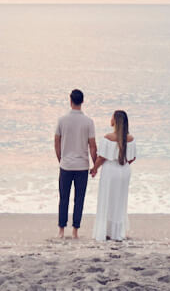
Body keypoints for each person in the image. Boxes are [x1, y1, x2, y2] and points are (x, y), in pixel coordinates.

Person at [53, 88, 97, 238]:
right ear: (82, 101)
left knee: (63, 198)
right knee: (79, 199)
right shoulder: (89, 122)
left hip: (66, 165)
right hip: (82, 166)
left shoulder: (62, 120)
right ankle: (75, 231)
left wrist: (61, 159)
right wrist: (95, 165)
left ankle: (61, 230)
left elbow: (56, 142)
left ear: (70, 100)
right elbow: (92, 145)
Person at [89, 109, 136, 241]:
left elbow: (102, 157)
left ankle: (106, 232)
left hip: (110, 170)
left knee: (107, 200)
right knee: (120, 201)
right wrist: (123, 165)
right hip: (124, 170)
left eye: (111, 117)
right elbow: (132, 158)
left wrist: (94, 169)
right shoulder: (131, 139)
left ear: (114, 121)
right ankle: (117, 232)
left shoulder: (108, 138)